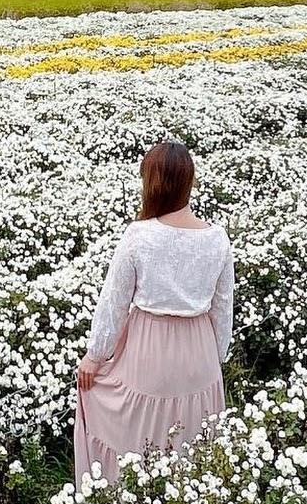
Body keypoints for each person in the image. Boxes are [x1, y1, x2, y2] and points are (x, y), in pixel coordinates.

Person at [75, 141, 233, 482]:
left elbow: (115, 301)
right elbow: (223, 306)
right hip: (200, 353)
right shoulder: (218, 238)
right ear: (188, 181)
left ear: (153, 184)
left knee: (139, 437)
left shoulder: (139, 235)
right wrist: (215, 356)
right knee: (192, 441)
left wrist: (95, 356)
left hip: (150, 350)